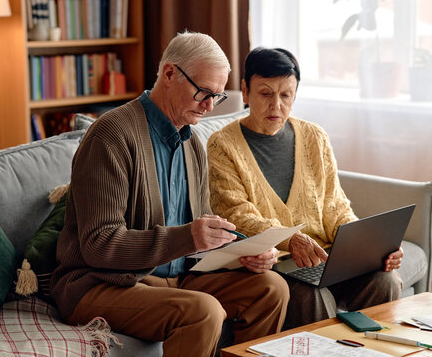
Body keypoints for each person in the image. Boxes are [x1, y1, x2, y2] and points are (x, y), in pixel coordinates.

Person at [50, 33, 289, 357]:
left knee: (272, 289)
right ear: (169, 74)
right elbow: (98, 244)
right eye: (203, 92)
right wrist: (188, 236)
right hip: (101, 283)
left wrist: (243, 253)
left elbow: (198, 235)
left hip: (178, 278)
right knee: (203, 312)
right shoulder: (112, 134)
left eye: (216, 97)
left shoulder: (191, 143)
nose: (208, 106)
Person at [207, 47, 403, 330]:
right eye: (265, 94)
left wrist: (370, 246)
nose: (276, 105)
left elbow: (335, 206)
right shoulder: (222, 145)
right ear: (245, 91)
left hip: (327, 259)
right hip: (277, 263)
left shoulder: (314, 136)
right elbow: (238, 216)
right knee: (312, 296)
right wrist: (292, 239)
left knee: (384, 280)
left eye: (286, 95)